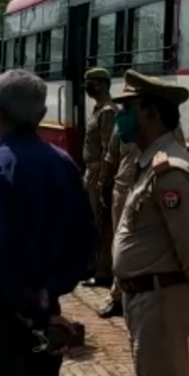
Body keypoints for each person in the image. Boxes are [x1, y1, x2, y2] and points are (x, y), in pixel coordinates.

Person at [0, 70, 95, 376]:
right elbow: (85, 243)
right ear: (42, 114)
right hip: (47, 308)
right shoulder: (64, 164)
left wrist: (26, 308)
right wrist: (47, 295)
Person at [110, 69, 189, 376]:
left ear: (152, 113)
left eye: (127, 109)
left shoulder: (169, 170)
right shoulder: (150, 162)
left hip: (160, 301)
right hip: (145, 299)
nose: (121, 118)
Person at [98, 124, 187, 319]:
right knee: (120, 242)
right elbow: (110, 157)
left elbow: (180, 155)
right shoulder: (121, 125)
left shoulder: (168, 127)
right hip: (124, 189)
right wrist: (103, 182)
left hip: (151, 192)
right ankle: (118, 296)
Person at [82, 67, 117, 288]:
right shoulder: (97, 110)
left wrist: (104, 179)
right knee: (93, 222)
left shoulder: (108, 112)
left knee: (101, 223)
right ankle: (94, 265)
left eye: (92, 83)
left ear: (103, 85)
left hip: (98, 174)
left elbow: (108, 149)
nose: (88, 87)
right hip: (90, 171)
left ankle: (103, 270)